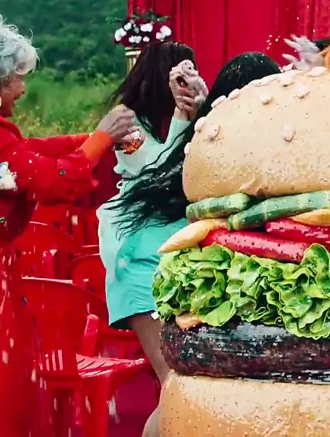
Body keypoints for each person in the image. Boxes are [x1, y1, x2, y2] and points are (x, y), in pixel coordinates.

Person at [0, 13, 137, 436]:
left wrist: (89, 138)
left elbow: (24, 151)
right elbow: (53, 181)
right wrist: (100, 139)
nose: (22, 87)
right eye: (16, 77)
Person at [103, 52, 282, 436]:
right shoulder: (134, 125)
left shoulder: (209, 129)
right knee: (177, 392)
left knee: (190, 393)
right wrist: (190, 119)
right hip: (143, 270)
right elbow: (154, 171)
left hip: (172, 272)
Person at [95, 41, 203, 435]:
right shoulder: (125, 122)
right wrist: (182, 118)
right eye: (179, 76)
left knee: (184, 384)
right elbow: (156, 170)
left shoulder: (191, 116)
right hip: (140, 264)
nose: (185, 84)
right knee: (174, 384)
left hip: (175, 263)